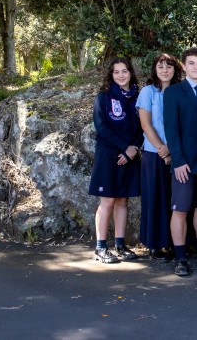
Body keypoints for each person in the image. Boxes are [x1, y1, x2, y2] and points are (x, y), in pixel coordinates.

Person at [163, 47, 197, 276]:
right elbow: (171, 130)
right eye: (191, 63)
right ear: (184, 66)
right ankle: (181, 258)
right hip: (183, 164)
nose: (196, 67)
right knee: (181, 209)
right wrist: (177, 161)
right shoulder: (173, 93)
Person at [89, 56, 143, 263]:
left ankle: (120, 245)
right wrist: (125, 148)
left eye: (124, 71)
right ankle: (100, 248)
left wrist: (133, 149)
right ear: (111, 75)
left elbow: (144, 126)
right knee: (108, 201)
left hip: (130, 155)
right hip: (108, 155)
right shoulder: (103, 97)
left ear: (130, 73)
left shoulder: (138, 96)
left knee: (122, 200)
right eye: (116, 72)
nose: (121, 75)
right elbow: (101, 128)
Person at [136, 53, 183, 260]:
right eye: (160, 66)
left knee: (174, 201)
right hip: (153, 154)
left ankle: (172, 243)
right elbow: (145, 124)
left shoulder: (180, 92)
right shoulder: (148, 92)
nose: (165, 70)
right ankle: (154, 244)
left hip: (176, 153)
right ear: (155, 70)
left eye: (169, 66)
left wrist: (171, 150)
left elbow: (184, 124)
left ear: (175, 69)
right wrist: (162, 149)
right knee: (154, 199)